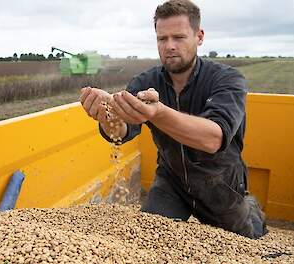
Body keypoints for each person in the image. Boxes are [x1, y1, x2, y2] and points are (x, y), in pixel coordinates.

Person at [79, 0, 268, 239]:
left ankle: (250, 207)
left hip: (220, 183)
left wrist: (159, 113)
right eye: (162, 38)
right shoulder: (145, 82)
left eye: (178, 37)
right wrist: (107, 114)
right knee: (148, 235)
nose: (169, 46)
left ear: (199, 37)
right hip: (172, 180)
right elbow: (122, 131)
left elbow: (213, 138)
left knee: (247, 240)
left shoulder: (227, 80)